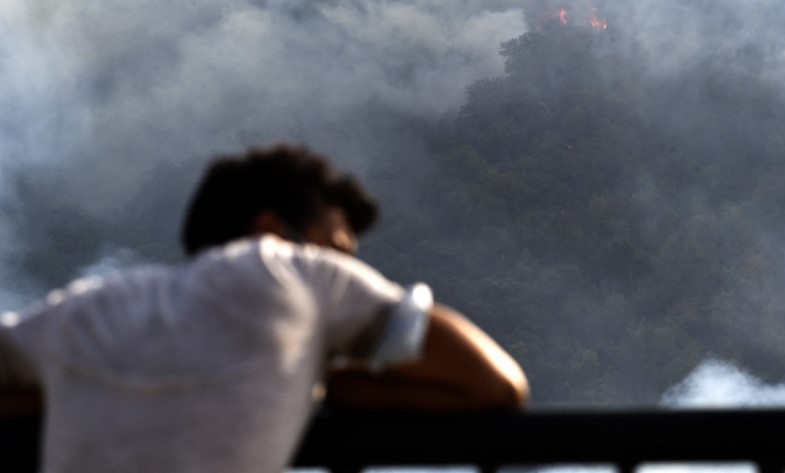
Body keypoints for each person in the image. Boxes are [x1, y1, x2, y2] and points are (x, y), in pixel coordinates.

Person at [0, 144, 528, 473]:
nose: (345, 265)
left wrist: (76, 394)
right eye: (338, 248)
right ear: (272, 230)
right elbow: (493, 383)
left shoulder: (91, 309)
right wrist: (323, 383)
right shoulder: (289, 268)